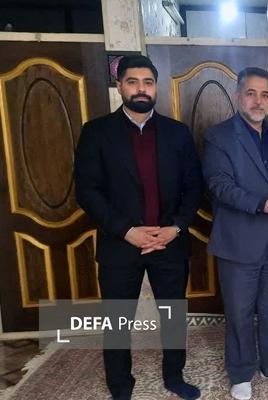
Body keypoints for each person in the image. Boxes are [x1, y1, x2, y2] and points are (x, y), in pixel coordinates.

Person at [74, 55, 203, 400]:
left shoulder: (178, 133)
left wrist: (176, 227)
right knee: (118, 321)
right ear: (120, 86)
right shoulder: (96, 132)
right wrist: (127, 231)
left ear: (156, 86)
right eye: (132, 82)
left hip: (169, 242)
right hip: (120, 243)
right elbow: (87, 191)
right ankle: (120, 384)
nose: (141, 89)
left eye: (148, 82)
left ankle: (174, 377)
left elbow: (194, 187)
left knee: (173, 317)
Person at [202, 67, 268, 400]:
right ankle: (241, 373)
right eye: (251, 93)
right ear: (237, 96)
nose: (258, 101)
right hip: (239, 241)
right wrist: (263, 204)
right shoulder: (219, 136)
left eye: (265, 94)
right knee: (240, 312)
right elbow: (219, 185)